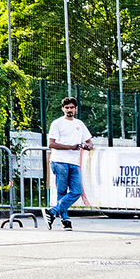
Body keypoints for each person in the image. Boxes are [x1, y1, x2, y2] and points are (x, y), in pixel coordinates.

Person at [46, 96, 92, 230]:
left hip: (74, 162)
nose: (69, 110)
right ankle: (65, 220)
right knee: (62, 191)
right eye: (67, 108)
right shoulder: (57, 123)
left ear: (76, 109)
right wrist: (70, 147)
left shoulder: (79, 124)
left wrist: (88, 146)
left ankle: (53, 211)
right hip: (59, 161)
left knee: (76, 191)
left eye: (72, 107)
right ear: (62, 109)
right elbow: (51, 144)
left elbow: (89, 141)